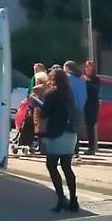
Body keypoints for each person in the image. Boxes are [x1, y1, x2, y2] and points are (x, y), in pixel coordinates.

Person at [35, 68, 79, 213]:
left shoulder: (51, 94)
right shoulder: (69, 94)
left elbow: (44, 114)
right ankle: (73, 200)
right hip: (71, 133)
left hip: (58, 133)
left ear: (53, 80)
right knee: (66, 166)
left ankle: (61, 198)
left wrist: (37, 103)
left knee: (51, 165)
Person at [82, 61, 101, 155]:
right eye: (86, 67)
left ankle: (92, 148)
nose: (87, 69)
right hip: (83, 104)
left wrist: (87, 82)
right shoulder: (83, 78)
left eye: (89, 68)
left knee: (90, 126)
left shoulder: (95, 79)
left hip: (92, 105)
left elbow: (95, 90)